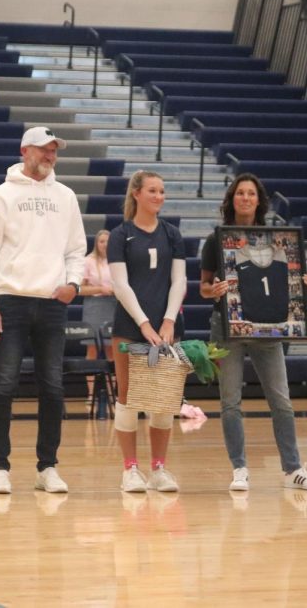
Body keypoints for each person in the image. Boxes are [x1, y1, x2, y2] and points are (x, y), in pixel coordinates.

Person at [0, 126, 86, 495]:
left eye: (54, 151)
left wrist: (74, 284)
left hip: (53, 303)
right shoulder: (1, 196)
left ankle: (47, 466)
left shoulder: (66, 197)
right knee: (3, 385)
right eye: (44, 150)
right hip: (10, 301)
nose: (50, 157)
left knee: (53, 387)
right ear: (25, 151)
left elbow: (76, 249)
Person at [199, 173, 307, 492]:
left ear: (259, 200)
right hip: (226, 328)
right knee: (230, 402)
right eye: (239, 193)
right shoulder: (217, 239)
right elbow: (203, 287)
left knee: (281, 400)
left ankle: (293, 468)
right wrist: (213, 291)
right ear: (232, 199)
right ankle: (239, 468)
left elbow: (291, 280)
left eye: (250, 194)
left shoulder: (278, 238)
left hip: (268, 329)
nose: (244, 198)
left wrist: (302, 286)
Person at [108, 170, 187, 494]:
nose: (159, 196)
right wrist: (143, 323)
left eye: (162, 191)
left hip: (167, 327)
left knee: (164, 400)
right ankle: (130, 470)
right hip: (130, 326)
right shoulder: (120, 234)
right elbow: (120, 284)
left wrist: (168, 320)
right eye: (153, 190)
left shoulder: (172, 234)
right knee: (127, 397)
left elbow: (179, 281)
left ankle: (158, 469)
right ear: (136, 194)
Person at [79, 229, 116, 400]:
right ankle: (90, 394)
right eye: (101, 241)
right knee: (92, 349)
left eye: (108, 241)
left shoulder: (117, 261)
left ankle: (112, 394)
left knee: (112, 350)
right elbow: (79, 289)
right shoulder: (87, 261)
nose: (105, 245)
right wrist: (100, 289)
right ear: (96, 243)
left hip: (113, 305)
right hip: (94, 305)